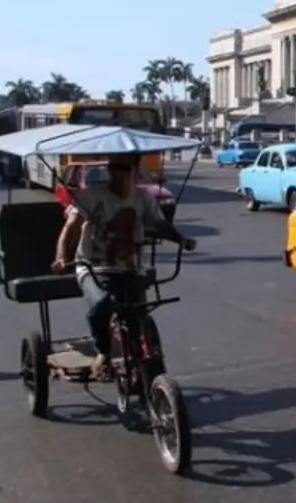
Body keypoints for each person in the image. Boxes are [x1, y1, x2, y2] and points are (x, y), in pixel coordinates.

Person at [51, 154, 196, 379]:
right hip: (93, 268)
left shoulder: (143, 198)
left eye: (124, 168)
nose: (119, 173)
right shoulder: (92, 196)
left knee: (137, 315)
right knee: (101, 303)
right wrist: (61, 256)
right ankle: (104, 351)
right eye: (114, 167)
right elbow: (71, 228)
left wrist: (181, 239)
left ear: (135, 171)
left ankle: (139, 362)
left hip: (130, 269)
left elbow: (160, 224)